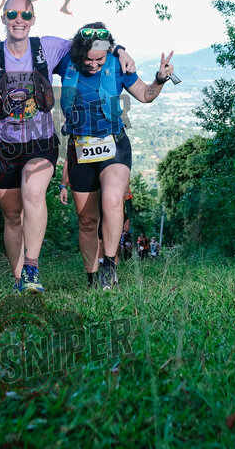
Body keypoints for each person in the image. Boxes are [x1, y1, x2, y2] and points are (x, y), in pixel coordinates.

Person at [0, 0, 134, 293]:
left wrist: (119, 49)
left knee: (33, 190)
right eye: (13, 14)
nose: (19, 19)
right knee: (12, 216)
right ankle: (20, 281)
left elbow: (89, 44)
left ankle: (32, 268)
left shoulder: (48, 47)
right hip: (0, 147)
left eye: (25, 15)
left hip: (39, 144)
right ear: (3, 18)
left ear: (33, 19)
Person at [58, 22, 174, 290]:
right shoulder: (65, 62)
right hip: (79, 147)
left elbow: (145, 95)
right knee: (87, 220)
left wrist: (160, 78)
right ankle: (91, 278)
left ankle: (109, 267)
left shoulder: (117, 64)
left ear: (108, 52)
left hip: (114, 143)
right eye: (89, 60)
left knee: (112, 201)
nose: (94, 64)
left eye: (100, 59)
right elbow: (36, 52)